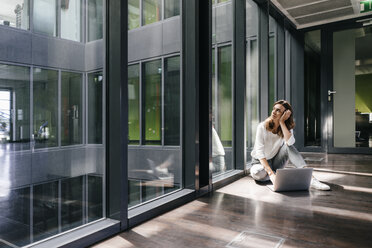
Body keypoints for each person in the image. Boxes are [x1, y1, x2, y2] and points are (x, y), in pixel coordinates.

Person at [250, 100, 330, 191]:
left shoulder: (286, 127)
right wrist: (271, 173)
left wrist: (282, 123)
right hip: (259, 162)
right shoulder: (262, 127)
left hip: (276, 161)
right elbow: (259, 152)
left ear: (285, 115)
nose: (274, 112)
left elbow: (290, 143)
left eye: (278, 110)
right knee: (258, 173)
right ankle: (274, 174)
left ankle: (311, 179)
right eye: (274, 109)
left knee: (288, 146)